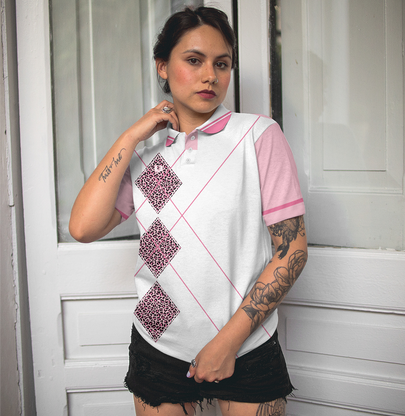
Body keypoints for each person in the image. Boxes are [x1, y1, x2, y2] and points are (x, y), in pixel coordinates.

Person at [69, 6, 307, 416]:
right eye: (194, 60)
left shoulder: (256, 136)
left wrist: (227, 343)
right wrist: (131, 136)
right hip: (158, 337)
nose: (210, 75)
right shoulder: (148, 155)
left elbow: (292, 252)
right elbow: (83, 227)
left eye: (222, 64)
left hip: (244, 341)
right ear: (162, 67)